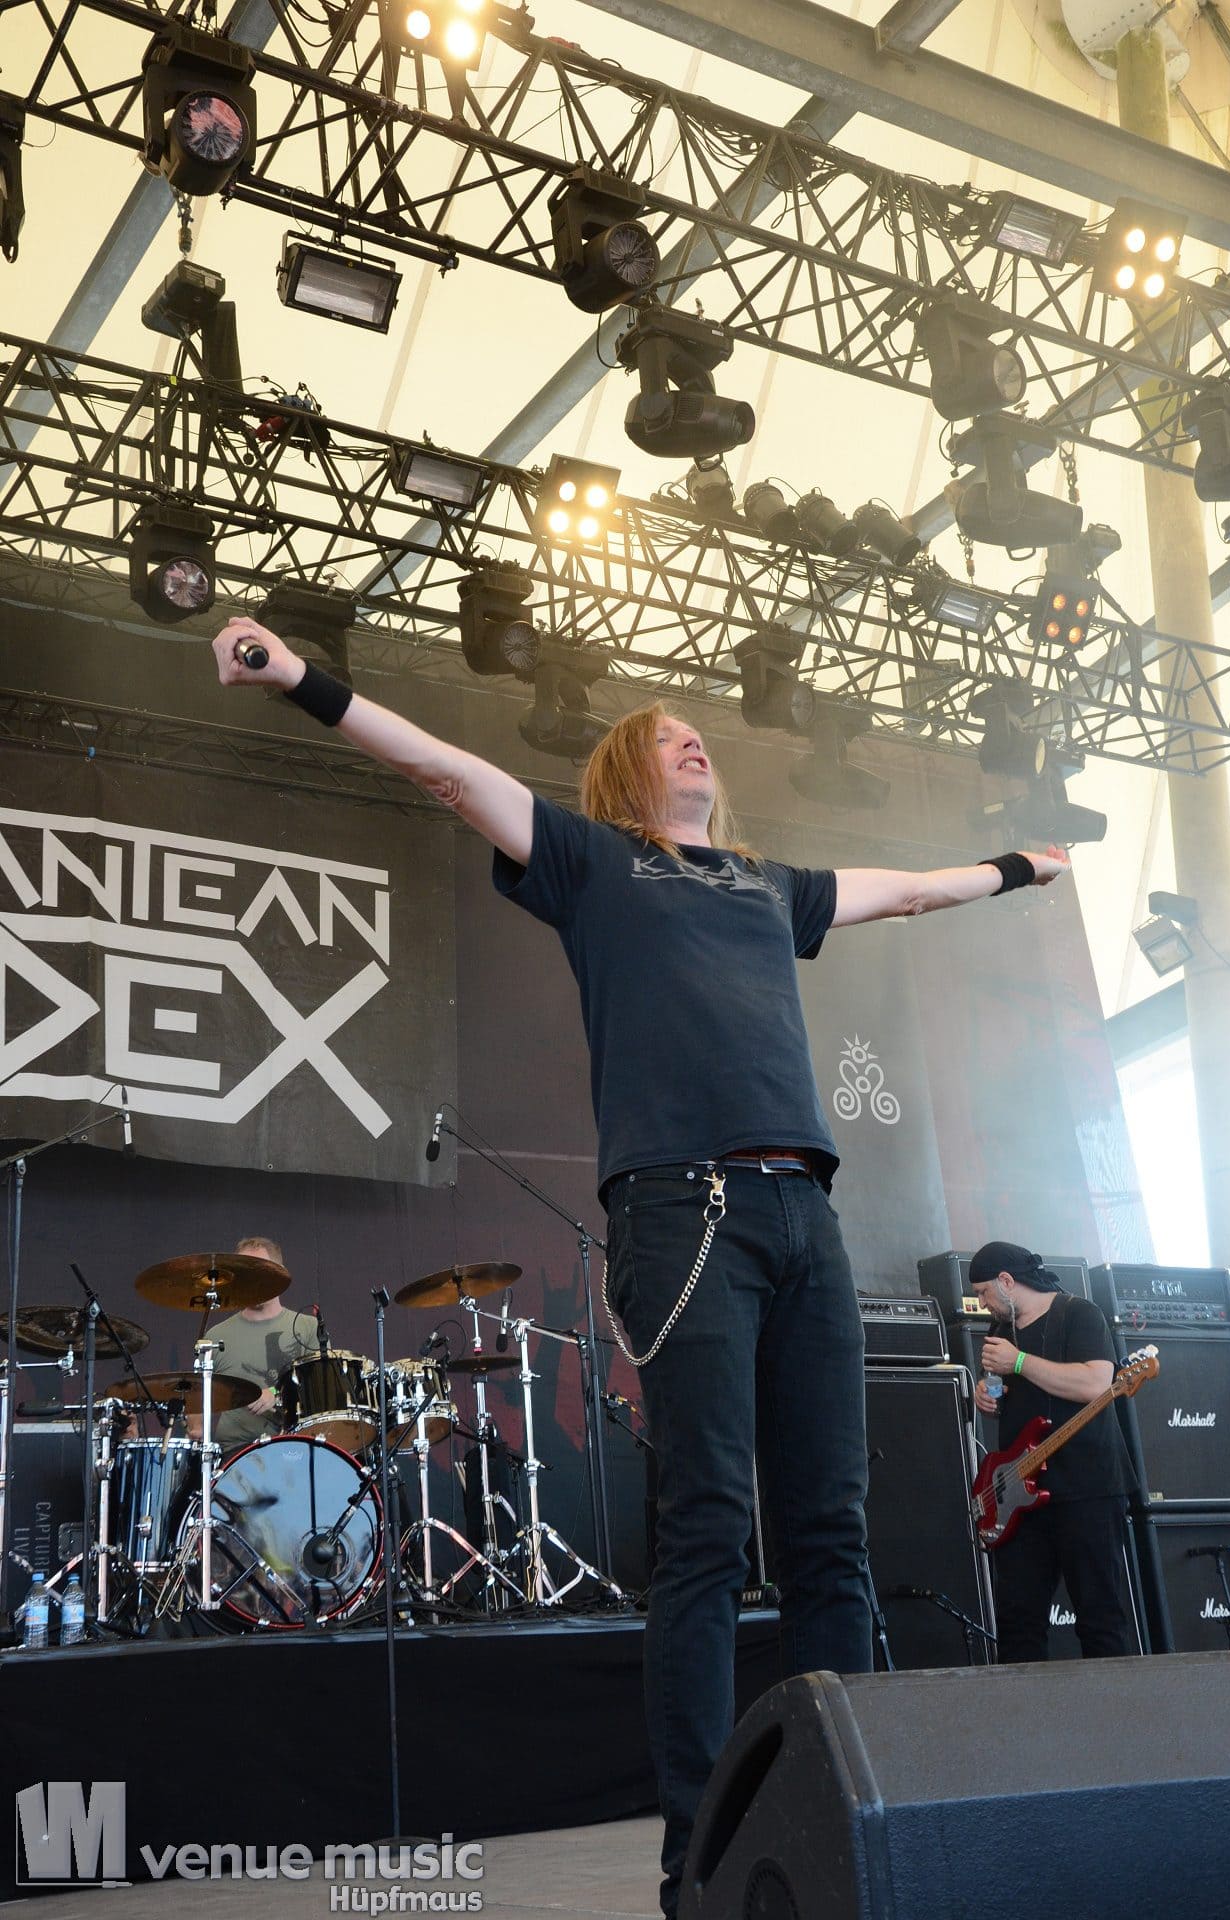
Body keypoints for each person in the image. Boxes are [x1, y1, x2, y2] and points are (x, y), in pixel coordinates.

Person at [210, 618, 1069, 1918]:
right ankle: (698, 1852)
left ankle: (854, 1817)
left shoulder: (769, 887)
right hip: (686, 1209)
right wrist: (302, 681)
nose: (693, 740)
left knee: (831, 1527)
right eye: (667, 736)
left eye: (698, 732)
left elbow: (900, 890)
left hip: (804, 1210)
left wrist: (1014, 868)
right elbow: (450, 769)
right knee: (710, 1525)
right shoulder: (594, 860)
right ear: (627, 773)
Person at [971, 1239, 1137, 1663]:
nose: (982, 1303)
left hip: (1087, 1487)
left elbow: (1095, 1384)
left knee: (1099, 1616)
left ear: (1007, 1281)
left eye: (984, 1292)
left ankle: (1116, 1703)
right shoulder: (1000, 1331)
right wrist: (988, 1394)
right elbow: (1003, 1388)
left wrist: (1019, 1362)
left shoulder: (1080, 1314)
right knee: (1018, 1621)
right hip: (1020, 1493)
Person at [209, 1236, 320, 1453]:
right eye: (246, 1273)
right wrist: (194, 1423)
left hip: (293, 1448)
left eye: (261, 1272)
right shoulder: (215, 1336)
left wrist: (276, 1394)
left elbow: (320, 1392)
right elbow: (197, 1399)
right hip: (234, 1454)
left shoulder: (308, 1327)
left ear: (279, 1276)